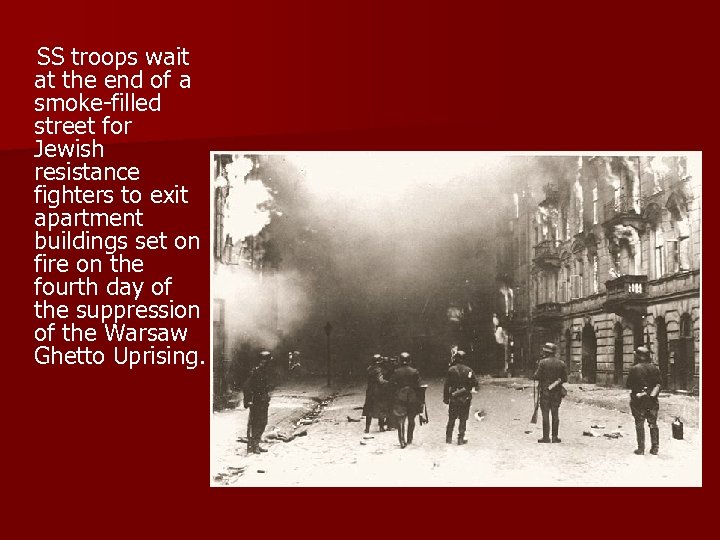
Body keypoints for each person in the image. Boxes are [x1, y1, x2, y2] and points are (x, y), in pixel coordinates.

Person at [626, 346, 661, 455]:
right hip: (652, 399)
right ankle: (655, 448)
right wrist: (651, 394)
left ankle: (641, 449)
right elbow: (659, 384)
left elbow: (628, 385)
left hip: (638, 400)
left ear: (639, 356)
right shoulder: (655, 368)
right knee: (653, 423)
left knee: (639, 423)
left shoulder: (634, 368)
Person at [534, 342, 568, 443]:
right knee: (555, 414)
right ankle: (554, 437)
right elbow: (565, 379)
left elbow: (536, 376)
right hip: (557, 392)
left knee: (545, 414)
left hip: (545, 392)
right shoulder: (561, 363)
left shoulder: (542, 363)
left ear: (546, 352)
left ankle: (546, 437)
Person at [443, 350, 478, 445]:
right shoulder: (469, 370)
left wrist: (446, 398)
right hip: (465, 398)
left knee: (451, 418)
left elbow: (446, 385)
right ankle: (460, 438)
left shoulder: (451, 370)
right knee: (463, 419)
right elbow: (475, 383)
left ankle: (448, 438)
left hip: (454, 397)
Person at [390, 352, 422, 448]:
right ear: (409, 361)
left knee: (400, 419)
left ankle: (402, 441)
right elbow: (419, 386)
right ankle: (409, 439)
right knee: (411, 419)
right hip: (412, 397)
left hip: (400, 397)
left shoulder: (396, 372)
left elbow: (391, 384)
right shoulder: (414, 371)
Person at [243, 351, 272, 454]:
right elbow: (247, 386)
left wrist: (267, 395)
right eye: (265, 360)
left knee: (263, 422)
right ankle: (254, 445)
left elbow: (266, 386)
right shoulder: (255, 372)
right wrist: (249, 401)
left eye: (268, 361)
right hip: (256, 401)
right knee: (255, 423)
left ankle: (257, 443)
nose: (267, 363)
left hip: (263, 401)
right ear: (261, 361)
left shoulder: (265, 372)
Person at [362, 354, 389, 433]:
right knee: (381, 408)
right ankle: (381, 427)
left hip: (370, 391)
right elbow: (380, 381)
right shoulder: (378, 369)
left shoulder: (369, 369)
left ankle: (367, 428)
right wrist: (389, 383)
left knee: (369, 409)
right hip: (378, 391)